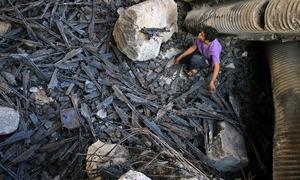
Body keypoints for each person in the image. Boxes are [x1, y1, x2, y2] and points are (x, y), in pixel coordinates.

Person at [175, 29, 222, 94]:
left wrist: (212, 82)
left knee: (195, 58)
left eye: (202, 35)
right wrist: (181, 56)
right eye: (201, 33)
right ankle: (194, 64)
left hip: (207, 61)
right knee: (179, 57)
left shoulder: (214, 49)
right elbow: (193, 48)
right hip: (201, 53)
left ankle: (195, 69)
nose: (199, 34)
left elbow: (217, 66)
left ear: (207, 41)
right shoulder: (200, 39)